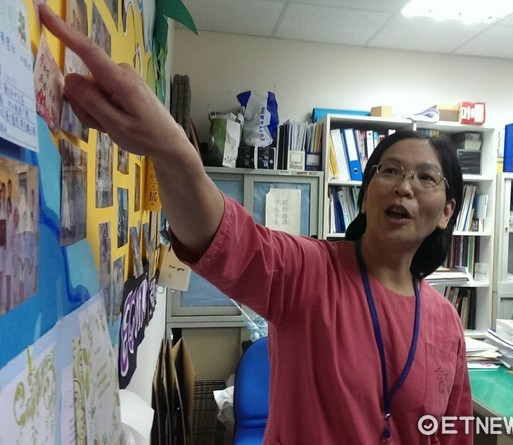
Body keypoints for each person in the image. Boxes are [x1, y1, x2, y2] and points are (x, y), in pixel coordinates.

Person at [39, 5, 472, 443]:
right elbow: (225, 239)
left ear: (447, 211)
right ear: (366, 193)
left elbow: (454, 431)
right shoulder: (313, 273)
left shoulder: (445, 321)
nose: (404, 187)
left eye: (425, 178)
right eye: (390, 170)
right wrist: (171, 149)